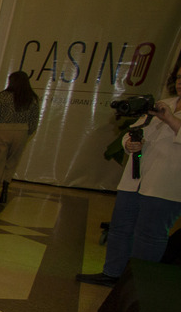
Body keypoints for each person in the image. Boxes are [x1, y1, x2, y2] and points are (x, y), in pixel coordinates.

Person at [77, 66, 181, 286]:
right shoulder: (164, 103)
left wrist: (170, 120)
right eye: (179, 77)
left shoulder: (168, 112)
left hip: (166, 186)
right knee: (120, 227)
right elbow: (134, 129)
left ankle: (138, 284)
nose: (180, 82)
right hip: (135, 179)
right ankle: (112, 273)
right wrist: (129, 144)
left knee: (150, 235)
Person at [0, 70, 40, 205]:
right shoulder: (32, 98)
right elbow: (34, 121)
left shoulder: (2, 97)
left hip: (2, 131)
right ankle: (5, 191)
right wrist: (27, 132)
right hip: (22, 132)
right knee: (12, 162)